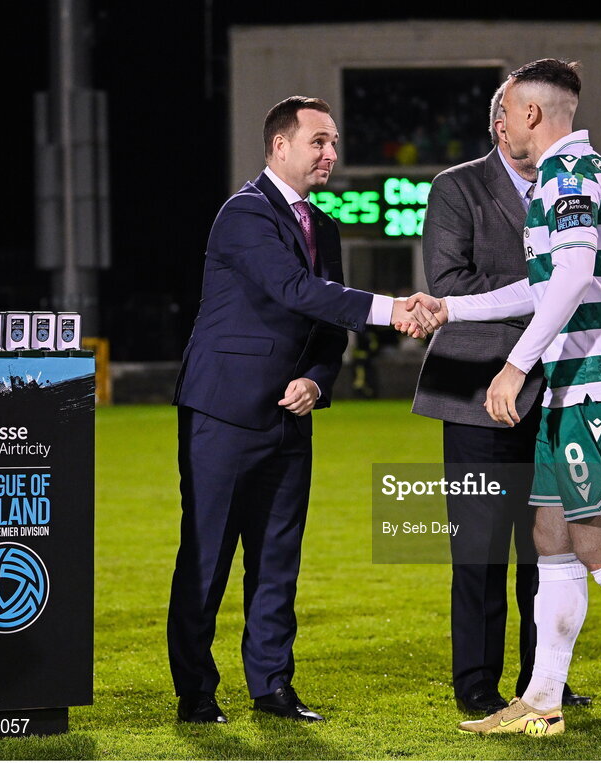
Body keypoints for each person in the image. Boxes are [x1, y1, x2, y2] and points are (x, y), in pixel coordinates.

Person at [405, 59, 601, 741]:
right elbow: (544, 286)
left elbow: (571, 276)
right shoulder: (586, 173)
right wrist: (451, 306)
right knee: (550, 534)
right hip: (576, 384)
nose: (502, 123)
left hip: (596, 383)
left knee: (596, 540)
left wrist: (513, 366)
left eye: (508, 112)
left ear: (531, 115)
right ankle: (542, 695)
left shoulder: (565, 177)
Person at [169, 95, 437, 725]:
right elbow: (295, 291)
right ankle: (197, 694)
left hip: (291, 415)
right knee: (207, 558)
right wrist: (390, 308)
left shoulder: (328, 225)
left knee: (278, 560)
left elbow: (325, 329)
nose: (331, 154)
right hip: (223, 412)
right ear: (279, 146)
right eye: (318, 142)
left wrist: (318, 381)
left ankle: (272, 689)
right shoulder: (243, 214)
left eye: (335, 143)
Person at [411, 80, 589, 715]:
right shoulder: (456, 187)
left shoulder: (569, 185)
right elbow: (449, 282)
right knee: (480, 551)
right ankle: (478, 685)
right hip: (476, 390)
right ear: (500, 123)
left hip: (556, 389)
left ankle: (543, 680)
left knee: (549, 549)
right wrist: (554, 281)